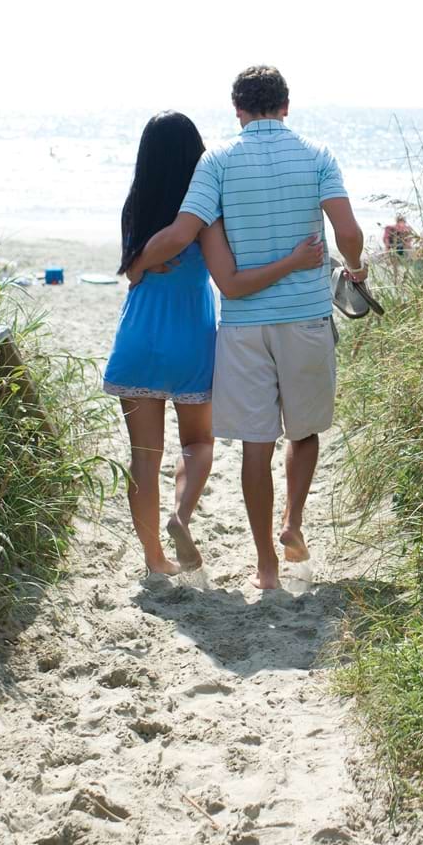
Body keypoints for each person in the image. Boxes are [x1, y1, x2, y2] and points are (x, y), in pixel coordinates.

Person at [125, 66, 366, 589]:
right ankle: (293, 525)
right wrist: (356, 266)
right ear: (286, 105)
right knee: (303, 433)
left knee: (255, 446)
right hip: (304, 318)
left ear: (238, 109)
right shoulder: (319, 155)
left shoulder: (217, 162)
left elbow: (184, 232)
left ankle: (266, 568)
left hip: (242, 327)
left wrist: (136, 263)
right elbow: (347, 231)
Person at [104, 111, 324, 583]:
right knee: (198, 443)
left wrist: (137, 263)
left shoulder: (134, 208)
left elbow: (134, 268)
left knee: (143, 455)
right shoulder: (204, 216)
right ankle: (181, 514)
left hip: (138, 338)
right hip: (190, 340)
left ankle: (155, 560)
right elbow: (229, 279)